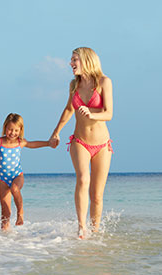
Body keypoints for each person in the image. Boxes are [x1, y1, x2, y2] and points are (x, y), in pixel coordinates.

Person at [49, 47, 113, 239]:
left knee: (97, 195)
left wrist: (91, 113)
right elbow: (69, 109)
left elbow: (109, 113)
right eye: (71, 59)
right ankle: (82, 227)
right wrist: (56, 132)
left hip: (102, 145)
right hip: (80, 141)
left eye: (74, 59)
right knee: (83, 179)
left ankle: (95, 231)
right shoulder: (74, 85)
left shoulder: (104, 82)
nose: (71, 63)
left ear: (86, 60)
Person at [0, 113, 51, 231]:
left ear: (21, 130)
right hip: (2, 180)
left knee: (15, 189)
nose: (13, 133)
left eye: (16, 130)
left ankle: (20, 213)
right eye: (10, 129)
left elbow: (33, 144)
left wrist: (48, 143)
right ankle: (5, 237)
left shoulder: (20, 142)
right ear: (5, 128)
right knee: (5, 212)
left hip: (17, 175)